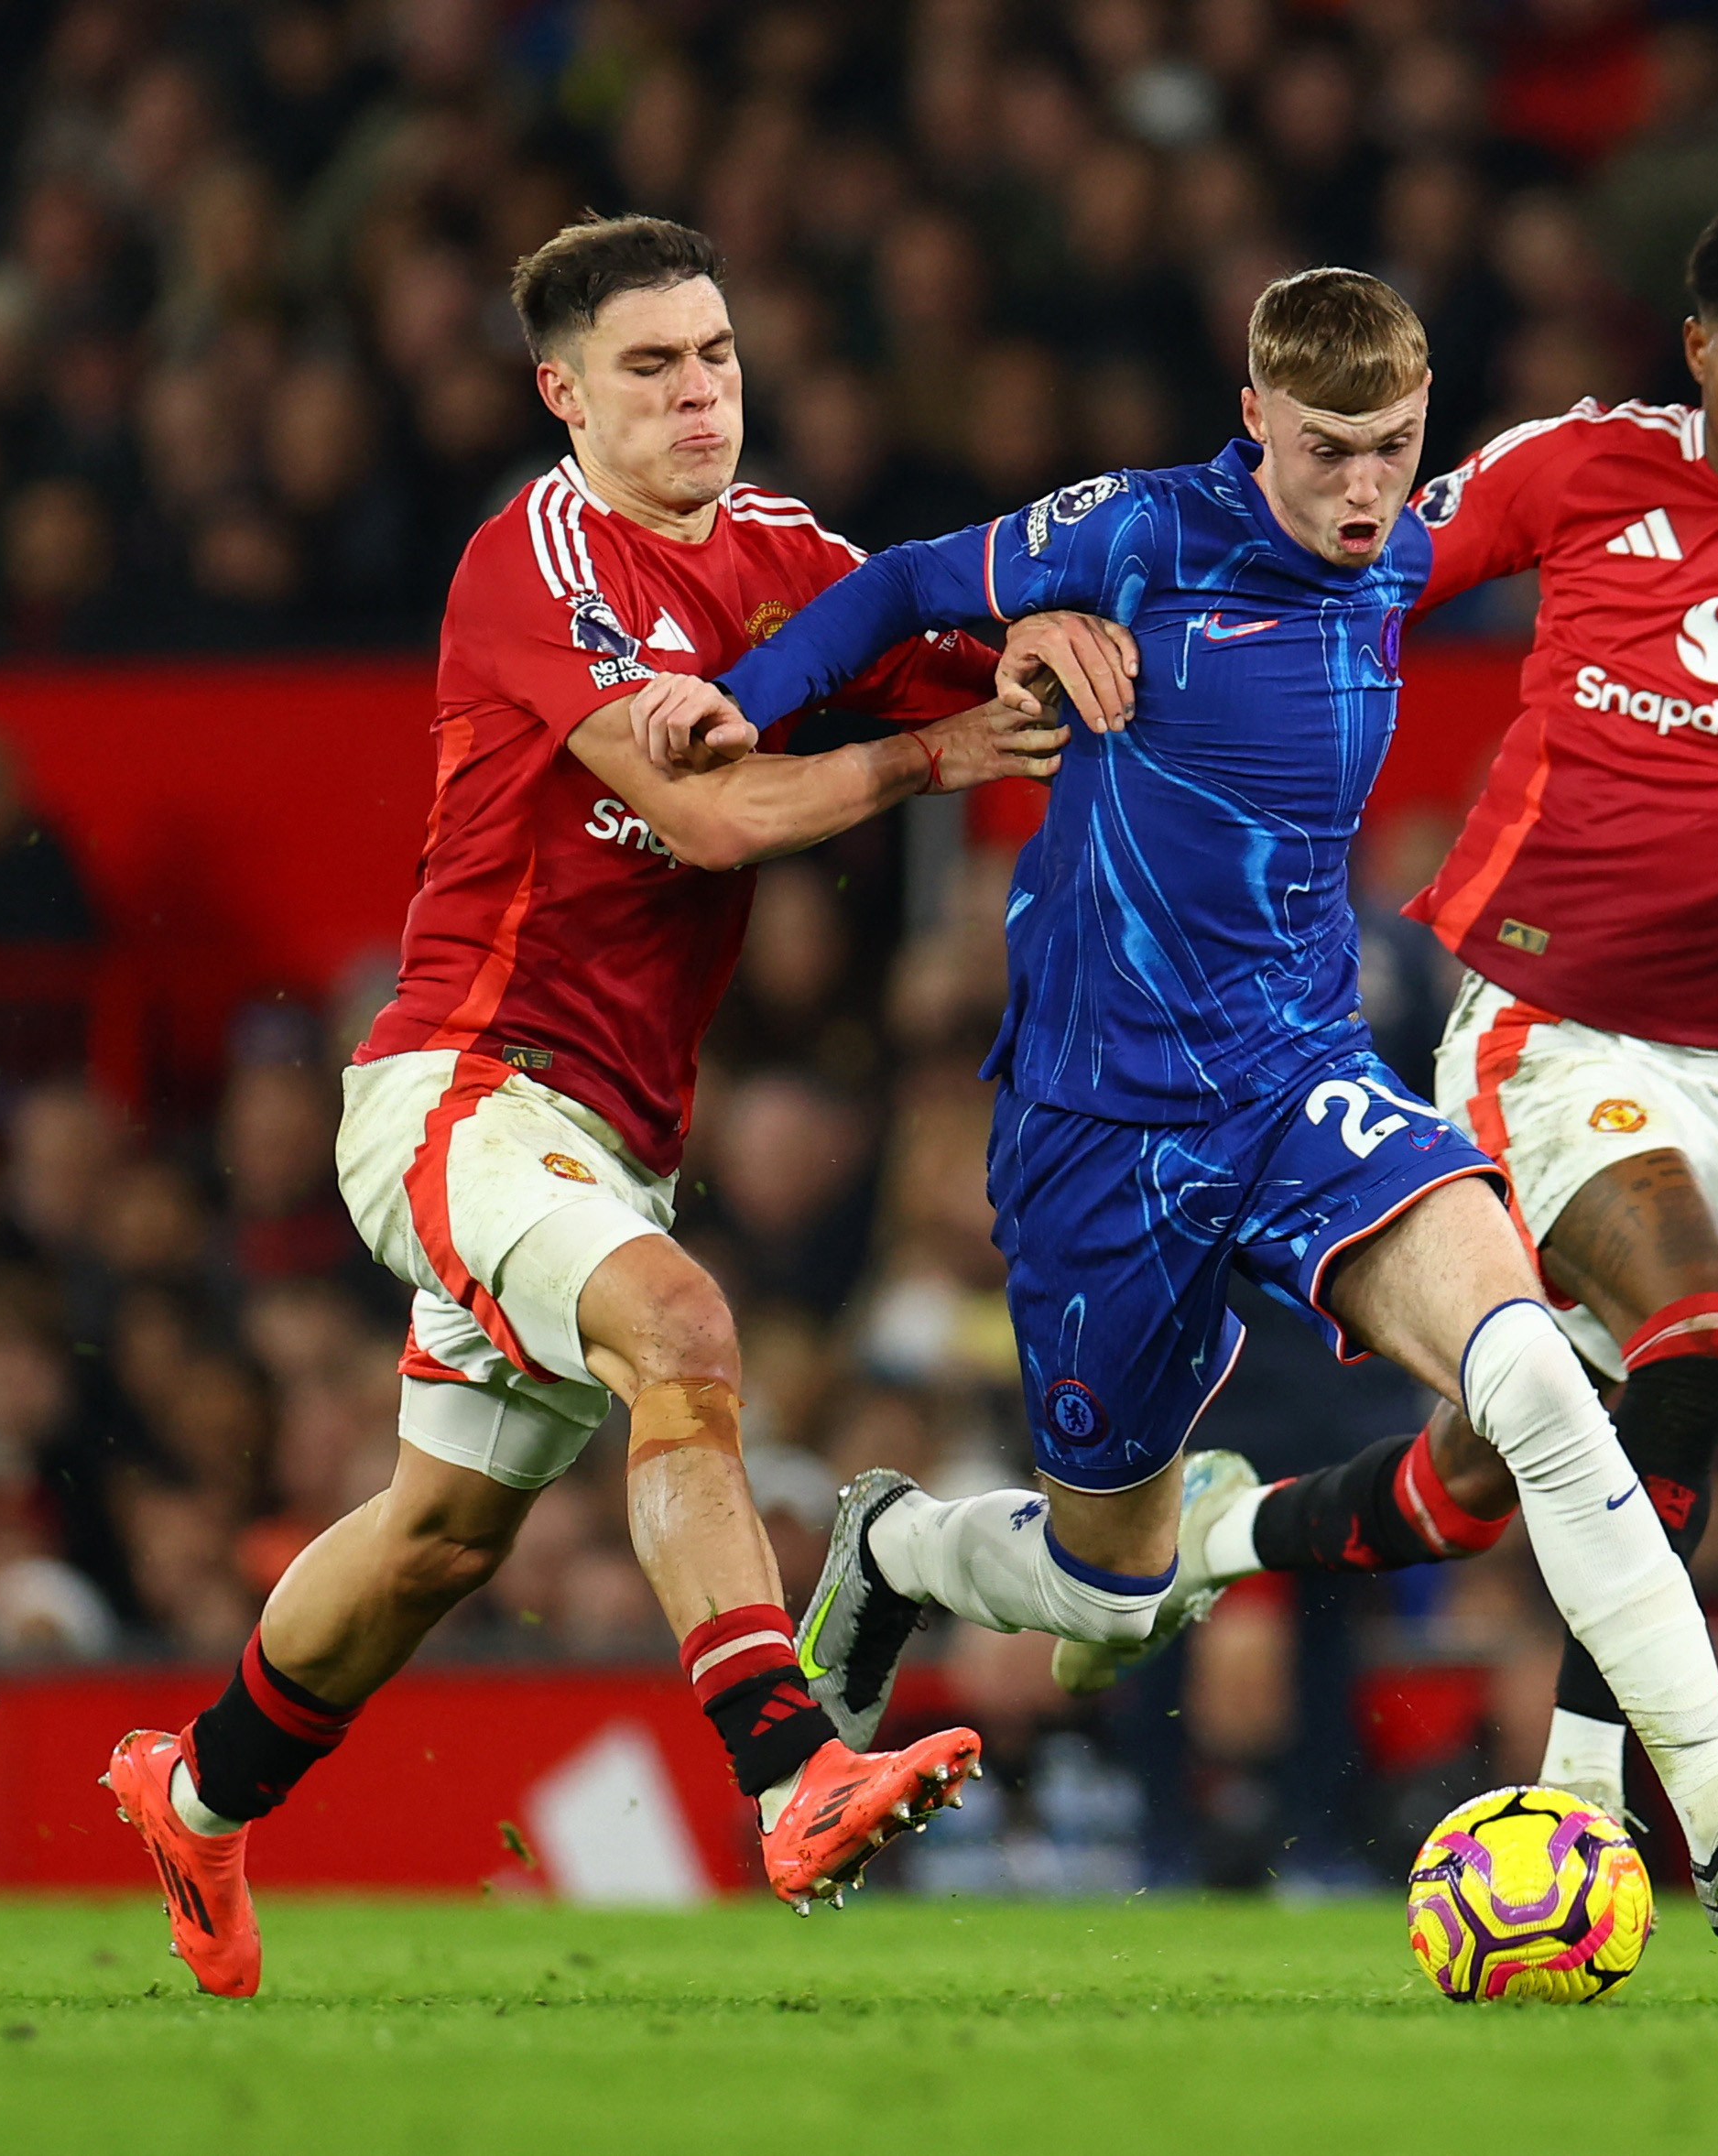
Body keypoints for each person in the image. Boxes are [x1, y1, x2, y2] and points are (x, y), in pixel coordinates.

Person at [639, 267, 1718, 1955]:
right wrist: (762, 695)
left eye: (1392, 447)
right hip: (1096, 1123)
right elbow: (897, 587)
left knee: (1536, 1367)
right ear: (1256, 419)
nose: (1362, 490)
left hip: (1301, 1070)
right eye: (1325, 451)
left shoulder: (1405, 548)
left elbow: (1657, 485)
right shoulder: (1138, 533)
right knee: (1114, 1577)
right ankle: (898, 1547)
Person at [103, 214, 1104, 1998]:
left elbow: (975, 659)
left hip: (609, 1136)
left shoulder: (797, 559)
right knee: (684, 1327)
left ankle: (195, 1788)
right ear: (565, 393)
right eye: (652, 365)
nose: (699, 391)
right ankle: (795, 1771)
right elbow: (711, 816)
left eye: (715, 353)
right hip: (457, 1088)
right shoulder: (533, 557)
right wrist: (926, 756)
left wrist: (1067, 655)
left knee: (436, 1541)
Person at [1052, 193, 1718, 1832]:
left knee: (1477, 1484)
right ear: (1697, 353)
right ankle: (1634, 1809)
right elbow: (1350, 558)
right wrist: (1111, 619)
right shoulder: (1579, 465)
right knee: (1703, 1337)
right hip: (1544, 1030)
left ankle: (1210, 1540)